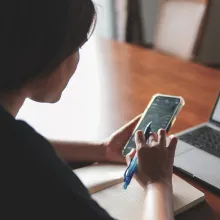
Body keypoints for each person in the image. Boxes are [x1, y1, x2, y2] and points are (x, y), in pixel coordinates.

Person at [0, 0, 178, 219]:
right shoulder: (29, 161)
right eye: (76, 47)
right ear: (45, 51)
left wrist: (102, 150)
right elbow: (25, 153)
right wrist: (157, 182)